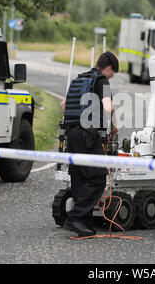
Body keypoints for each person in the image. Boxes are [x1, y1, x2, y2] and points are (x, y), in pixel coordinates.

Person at [60, 52, 119, 237]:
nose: (112, 76)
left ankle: (82, 222)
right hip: (88, 135)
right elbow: (108, 107)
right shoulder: (101, 81)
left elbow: (63, 105)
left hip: (71, 133)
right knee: (98, 176)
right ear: (108, 68)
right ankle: (76, 217)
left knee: (79, 176)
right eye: (113, 72)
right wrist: (114, 125)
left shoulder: (79, 80)